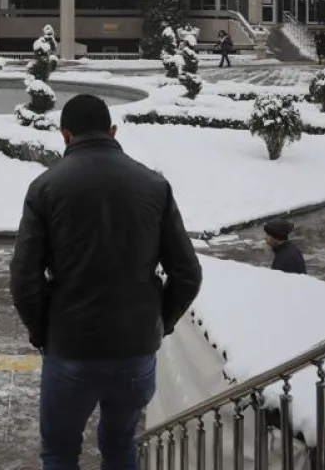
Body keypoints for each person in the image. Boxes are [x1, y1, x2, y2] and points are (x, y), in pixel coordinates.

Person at [10, 93, 203, 470]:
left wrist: (43, 332)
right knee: (119, 444)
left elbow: (24, 278)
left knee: (59, 453)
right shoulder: (154, 186)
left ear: (65, 135)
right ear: (113, 131)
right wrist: (159, 323)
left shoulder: (45, 188)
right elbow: (187, 274)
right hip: (135, 351)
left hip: (70, 347)